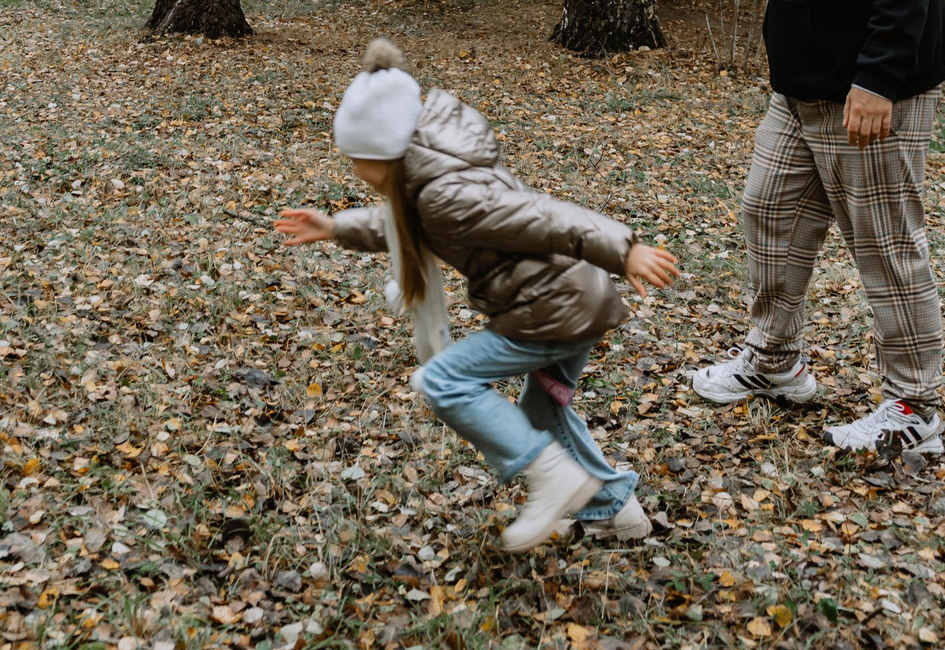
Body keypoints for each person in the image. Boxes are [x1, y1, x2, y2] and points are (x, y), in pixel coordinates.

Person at [276, 41, 680, 551]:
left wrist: (622, 249)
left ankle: (551, 477)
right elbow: (403, 226)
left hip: (551, 310)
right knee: (542, 410)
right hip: (570, 300)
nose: (354, 169)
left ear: (385, 152)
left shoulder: (445, 193)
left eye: (356, 158)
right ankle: (615, 506)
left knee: (443, 380)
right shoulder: (432, 178)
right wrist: (337, 226)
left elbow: (542, 217)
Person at [690, 0, 945, 456]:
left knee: (887, 243)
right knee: (767, 211)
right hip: (802, 92)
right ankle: (775, 363)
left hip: (867, 94)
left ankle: (915, 406)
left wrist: (878, 78)